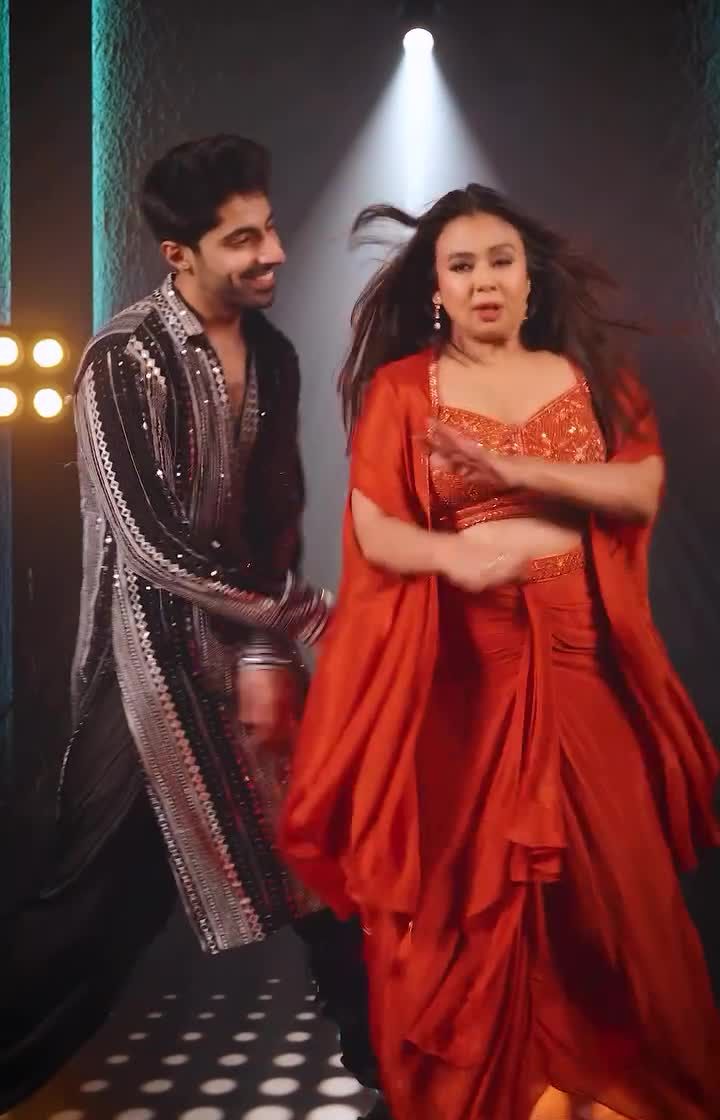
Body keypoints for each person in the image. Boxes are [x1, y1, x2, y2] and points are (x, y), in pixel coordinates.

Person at [281, 185, 720, 1120]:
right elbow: (376, 529)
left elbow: (639, 489)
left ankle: (623, 1087)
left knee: (618, 887)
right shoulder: (406, 389)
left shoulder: (590, 374)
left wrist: (516, 470)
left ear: (530, 278)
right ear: (436, 288)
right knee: (477, 895)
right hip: (468, 673)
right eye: (462, 265)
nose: (484, 280)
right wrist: (454, 557)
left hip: (585, 658)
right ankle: (507, 1092)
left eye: (501, 261)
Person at [0, 136, 382, 1113]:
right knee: (90, 930)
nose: (274, 252)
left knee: (343, 884)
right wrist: (312, 617)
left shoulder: (276, 357)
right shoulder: (122, 360)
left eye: (270, 228)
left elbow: (272, 522)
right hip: (141, 687)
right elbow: (154, 542)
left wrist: (264, 654)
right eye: (243, 239)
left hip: (243, 663)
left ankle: (407, 1080)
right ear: (180, 255)